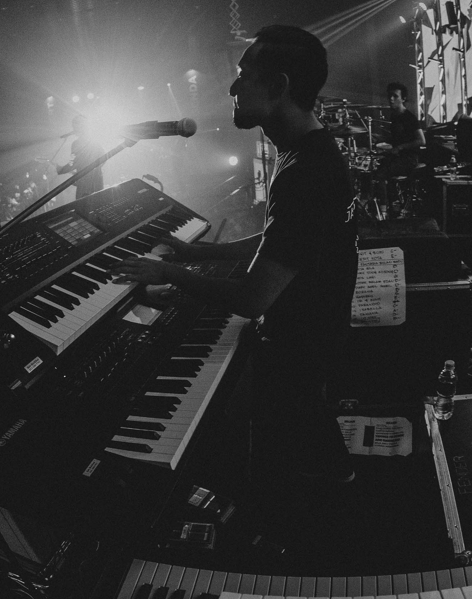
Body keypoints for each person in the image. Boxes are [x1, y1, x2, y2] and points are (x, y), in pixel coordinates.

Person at [113, 25, 358, 489]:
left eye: (244, 75)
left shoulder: (306, 172)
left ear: (279, 86)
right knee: (313, 448)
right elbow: (283, 241)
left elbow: (252, 299)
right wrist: (197, 251)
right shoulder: (309, 153)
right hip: (314, 339)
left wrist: (168, 272)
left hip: (300, 351)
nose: (232, 88)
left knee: (300, 472)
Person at [373, 82, 426, 210]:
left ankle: (383, 210)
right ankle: (390, 204)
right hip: (398, 157)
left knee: (380, 174)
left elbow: (421, 140)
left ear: (403, 99)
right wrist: (381, 139)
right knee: (374, 168)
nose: (391, 99)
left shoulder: (409, 118)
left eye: (395, 96)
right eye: (389, 96)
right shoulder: (394, 116)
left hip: (409, 158)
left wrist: (400, 147)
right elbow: (398, 138)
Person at [57, 112, 105, 199]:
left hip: (84, 185)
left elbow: (73, 163)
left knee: (83, 206)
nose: (73, 128)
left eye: (74, 126)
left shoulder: (76, 144)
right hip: (97, 182)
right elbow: (104, 157)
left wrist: (61, 170)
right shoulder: (95, 141)